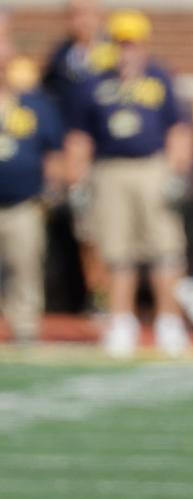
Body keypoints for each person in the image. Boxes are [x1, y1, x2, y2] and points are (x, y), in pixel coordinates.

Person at [64, 9, 193, 358]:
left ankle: (169, 321)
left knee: (165, 248)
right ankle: (122, 321)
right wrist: (76, 180)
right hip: (109, 171)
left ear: (143, 46)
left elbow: (178, 129)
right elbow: (80, 136)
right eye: (121, 43)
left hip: (152, 167)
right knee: (117, 251)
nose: (127, 51)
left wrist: (177, 172)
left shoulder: (159, 79)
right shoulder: (94, 83)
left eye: (133, 44)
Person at [41, 0, 115, 315]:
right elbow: (47, 105)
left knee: (114, 231)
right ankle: (97, 296)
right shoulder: (61, 59)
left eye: (87, 14)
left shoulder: (114, 55)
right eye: (74, 15)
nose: (81, 21)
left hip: (109, 156)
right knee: (87, 232)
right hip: (75, 158)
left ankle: (118, 300)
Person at [0, 12, 65, 344]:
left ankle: (24, 332)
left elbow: (52, 148)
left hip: (23, 203)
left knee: (24, 271)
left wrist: (49, 194)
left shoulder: (32, 100)